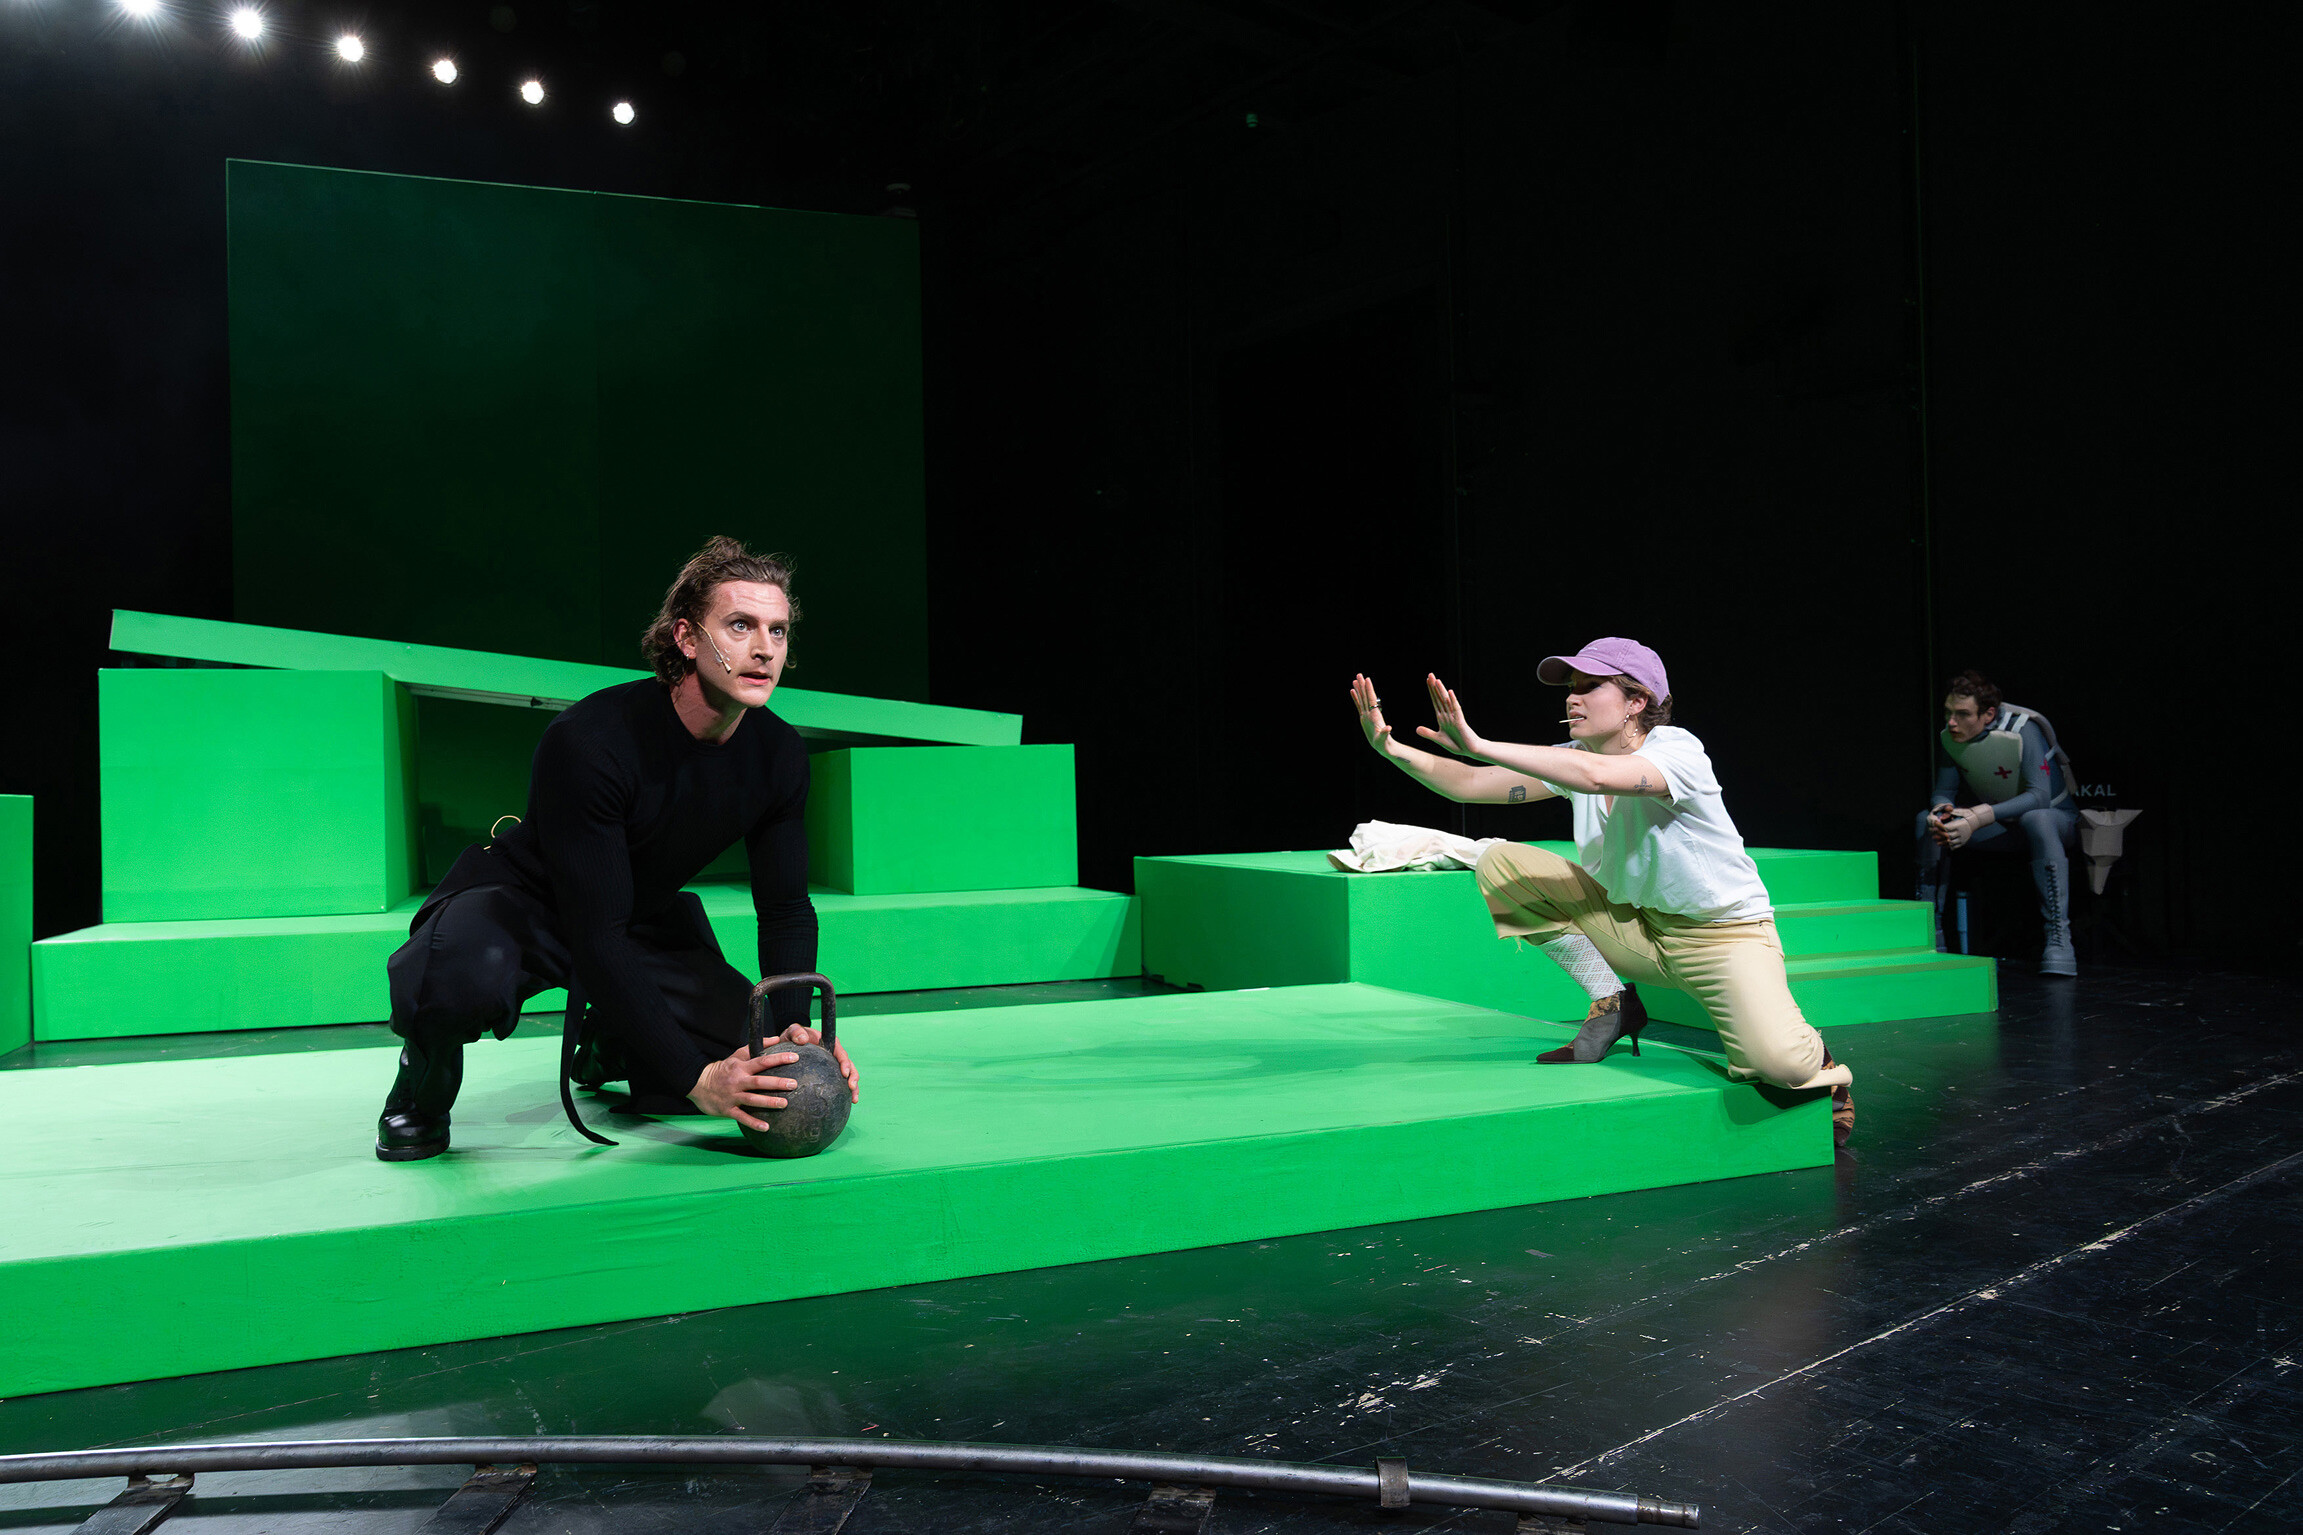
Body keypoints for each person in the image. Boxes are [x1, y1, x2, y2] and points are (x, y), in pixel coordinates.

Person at [375, 536, 860, 1161]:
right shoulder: (591, 741)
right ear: (687, 639)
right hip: (524, 905)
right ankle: (422, 1080)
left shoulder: (780, 755)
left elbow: (786, 907)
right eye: (740, 626)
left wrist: (791, 1030)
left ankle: (611, 1043)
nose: (764, 648)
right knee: (461, 972)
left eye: (778, 630)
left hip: (634, 917)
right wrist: (695, 1079)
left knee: (749, 1050)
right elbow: (594, 934)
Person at [1349, 637, 1854, 1147]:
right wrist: (1391, 749)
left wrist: (1479, 743)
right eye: (1571, 687)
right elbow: (1470, 785)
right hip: (1638, 929)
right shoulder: (1575, 758)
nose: (1573, 697)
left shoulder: (1677, 751)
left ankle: (1822, 1064)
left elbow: (1595, 778)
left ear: (1637, 701)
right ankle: (1613, 1002)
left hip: (1724, 940)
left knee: (1783, 1066)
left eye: (1590, 686)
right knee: (1501, 861)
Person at [1919, 669, 2079, 976]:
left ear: (1988, 714)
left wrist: (1977, 817)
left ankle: (2059, 938)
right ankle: (1928, 934)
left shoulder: (2022, 729)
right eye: (1948, 712)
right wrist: (1942, 810)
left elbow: (2039, 796)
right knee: (1929, 822)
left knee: (2037, 819)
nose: (1952, 722)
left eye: (1963, 714)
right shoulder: (1953, 737)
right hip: (2004, 827)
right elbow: (1944, 790)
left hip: (2054, 822)